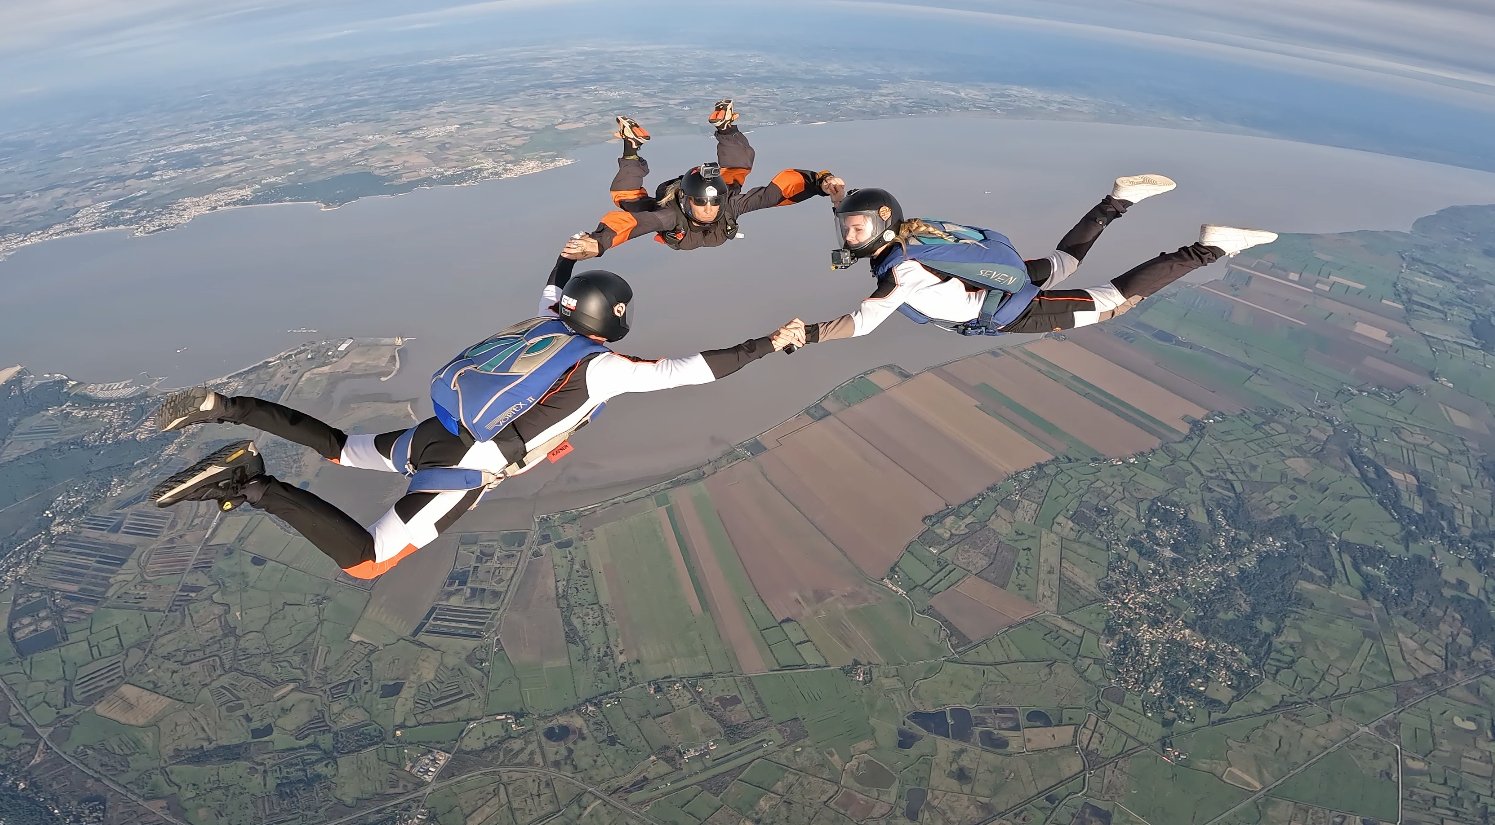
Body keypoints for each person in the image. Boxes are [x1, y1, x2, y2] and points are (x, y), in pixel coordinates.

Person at [149, 257, 805, 579]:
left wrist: (573, 252)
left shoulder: (547, 322)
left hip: (434, 431)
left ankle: (226, 407)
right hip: (463, 468)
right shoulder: (604, 368)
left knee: (341, 447)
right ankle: (251, 482)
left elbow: (554, 285)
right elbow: (695, 368)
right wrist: (770, 343)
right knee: (369, 560)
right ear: (615, 319)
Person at [798, 175, 1278, 343]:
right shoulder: (907, 239)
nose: (848, 233)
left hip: (1015, 309)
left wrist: (803, 336)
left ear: (881, 221)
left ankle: (1209, 247)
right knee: (1063, 262)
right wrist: (835, 193)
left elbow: (862, 323)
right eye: (846, 226)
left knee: (1113, 301)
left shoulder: (900, 271)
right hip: (997, 284)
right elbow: (861, 212)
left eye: (855, 226)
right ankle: (1117, 200)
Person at [561, 99, 846, 259]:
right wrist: (599, 242)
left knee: (734, 176)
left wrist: (820, 181)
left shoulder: (727, 205)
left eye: (713, 202)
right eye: (701, 202)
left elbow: (778, 192)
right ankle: (631, 148)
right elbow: (631, 225)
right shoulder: (668, 217)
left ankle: (726, 127)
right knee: (628, 201)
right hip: (672, 203)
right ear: (687, 201)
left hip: (704, 207)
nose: (709, 208)